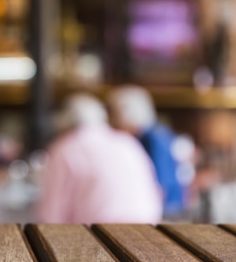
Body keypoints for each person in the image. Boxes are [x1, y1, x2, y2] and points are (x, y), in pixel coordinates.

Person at [36, 93, 163, 224]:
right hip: (149, 227)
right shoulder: (127, 142)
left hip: (100, 233)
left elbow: (52, 212)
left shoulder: (66, 147)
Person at [107, 85, 187, 217]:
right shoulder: (155, 133)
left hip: (167, 212)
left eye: (115, 116)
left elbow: (160, 185)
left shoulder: (153, 139)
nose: (113, 125)